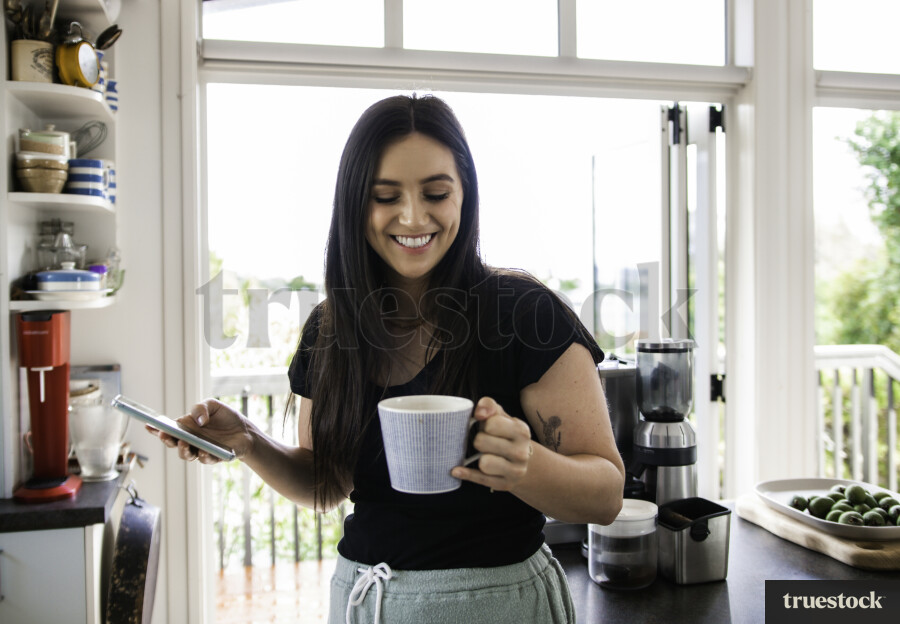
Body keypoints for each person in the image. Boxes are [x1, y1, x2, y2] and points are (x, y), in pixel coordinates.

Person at [156, 94, 624, 624]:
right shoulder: (330, 330)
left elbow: (606, 494)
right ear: (356, 204)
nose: (412, 216)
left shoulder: (525, 314)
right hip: (367, 601)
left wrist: (524, 465)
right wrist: (249, 441)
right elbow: (326, 484)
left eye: (436, 193)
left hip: (499, 603)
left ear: (464, 196)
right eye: (385, 196)